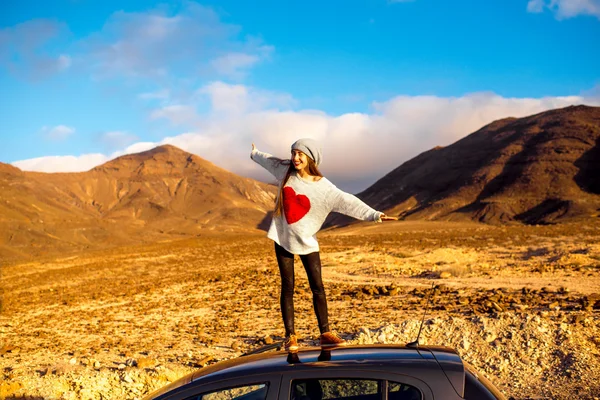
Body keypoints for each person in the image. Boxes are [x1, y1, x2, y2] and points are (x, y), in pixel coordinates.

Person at [250, 138, 397, 352]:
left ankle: (325, 333)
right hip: (282, 238)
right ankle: (291, 336)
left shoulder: (324, 188)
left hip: (308, 242)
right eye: (293, 153)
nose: (295, 158)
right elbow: (268, 160)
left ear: (310, 157)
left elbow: (348, 201)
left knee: (317, 287)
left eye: (300, 154)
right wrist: (255, 154)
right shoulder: (285, 171)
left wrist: (375, 215)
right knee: (288, 287)